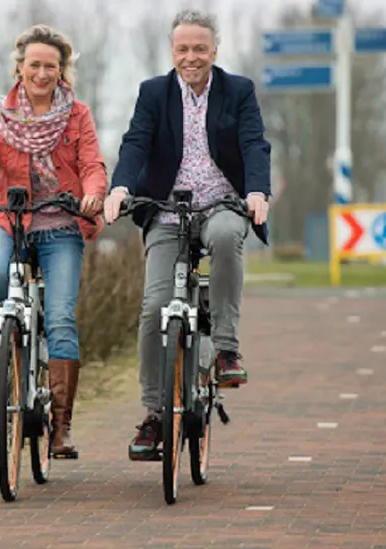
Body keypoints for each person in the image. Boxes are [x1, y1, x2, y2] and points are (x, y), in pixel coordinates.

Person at [102, 9, 272, 461]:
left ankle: (226, 352)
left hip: (223, 203)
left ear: (215, 51)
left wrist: (257, 191)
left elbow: (255, 143)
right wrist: (120, 187)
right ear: (172, 52)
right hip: (167, 210)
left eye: (200, 48)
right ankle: (155, 412)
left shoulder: (238, 91)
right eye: (183, 49)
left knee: (222, 236)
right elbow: (136, 143)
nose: (191, 57)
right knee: (155, 305)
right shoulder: (153, 93)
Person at [0, 24, 108, 459]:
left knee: (61, 319)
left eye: (51, 66)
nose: (42, 73)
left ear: (62, 70)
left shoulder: (77, 115)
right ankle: (6, 347)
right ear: (20, 68)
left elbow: (92, 163)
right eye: (34, 64)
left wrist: (93, 195)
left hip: (61, 226)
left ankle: (61, 428)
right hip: (9, 221)